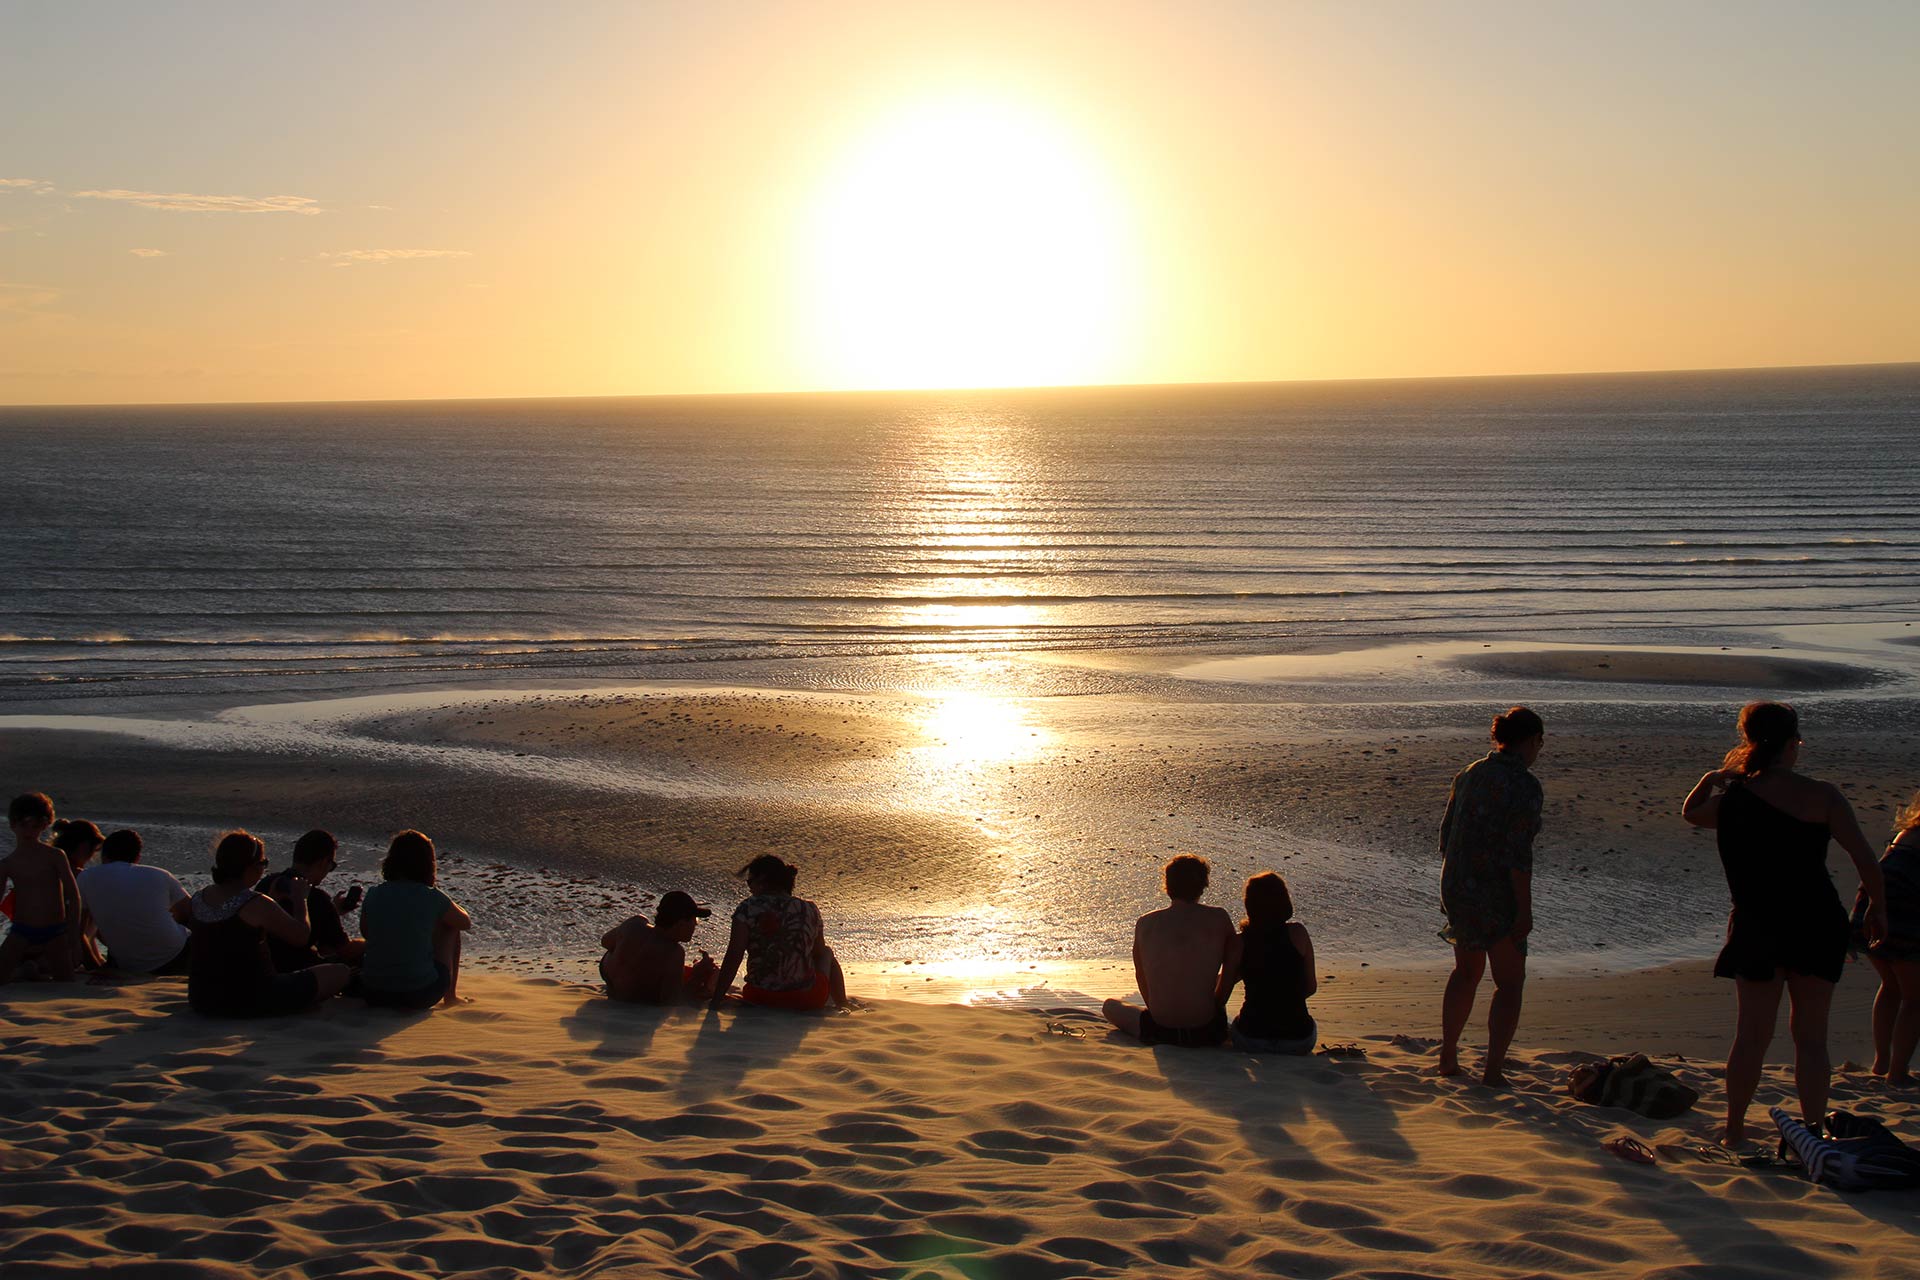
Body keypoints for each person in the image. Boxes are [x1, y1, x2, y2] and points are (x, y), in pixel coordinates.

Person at [1682, 701, 1888, 1145]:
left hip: (1758, 926)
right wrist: (1877, 908)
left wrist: (1710, 778)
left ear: (1749, 740)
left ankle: (1735, 1129)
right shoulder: (1822, 795)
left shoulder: (1733, 799)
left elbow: (1691, 812)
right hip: (1816, 922)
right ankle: (1812, 1132)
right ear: (1791, 742)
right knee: (1812, 1040)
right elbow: (1866, 859)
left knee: (1751, 1037)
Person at [1434, 706, 1546, 1086]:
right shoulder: (1525, 785)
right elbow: (1518, 854)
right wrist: (1524, 911)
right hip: (1495, 890)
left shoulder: (1469, 773)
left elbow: (1446, 836)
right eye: (1539, 743)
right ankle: (1493, 1069)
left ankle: (1448, 1054)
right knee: (1510, 982)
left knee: (1466, 972)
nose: (1539, 750)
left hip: (1458, 884)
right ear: (1529, 741)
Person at [183, 830, 351, 1017]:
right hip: (251, 996)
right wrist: (300, 899)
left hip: (202, 998)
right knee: (340, 973)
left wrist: (272, 900)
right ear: (250, 867)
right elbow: (301, 936)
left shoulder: (198, 898)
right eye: (263, 863)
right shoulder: (256, 903)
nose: (264, 869)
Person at [1102, 854, 1239, 1047]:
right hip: (1205, 1030)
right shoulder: (1218, 918)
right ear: (1203, 885)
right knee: (1212, 982)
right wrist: (1216, 1006)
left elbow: (1142, 977)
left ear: (1168, 885)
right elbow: (1232, 968)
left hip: (1161, 1028)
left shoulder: (1145, 923)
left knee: (1110, 1006)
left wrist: (1158, 1011)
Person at [709, 855, 849, 1012]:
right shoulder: (808, 909)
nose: (749, 888)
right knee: (826, 953)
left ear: (762, 879)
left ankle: (841, 1003)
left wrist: (716, 1000)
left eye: (750, 882)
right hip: (807, 999)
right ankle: (842, 1004)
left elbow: (735, 954)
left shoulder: (747, 908)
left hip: (759, 997)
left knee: (823, 953)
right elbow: (817, 952)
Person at [359, 830, 471, 1010]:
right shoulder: (431, 896)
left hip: (373, 993)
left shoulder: (374, 894)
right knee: (451, 926)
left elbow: (366, 932)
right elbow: (465, 922)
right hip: (418, 994)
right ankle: (451, 997)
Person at [1218, 872, 1317, 1054]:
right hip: (1298, 1038)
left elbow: (1221, 997)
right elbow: (1311, 987)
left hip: (1252, 1037)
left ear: (1249, 904)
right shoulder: (1298, 933)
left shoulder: (1239, 943)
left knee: (1231, 1024)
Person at [1860, 790, 1920, 1086]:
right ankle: (1897, 1073)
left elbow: (1879, 869)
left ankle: (1882, 1062)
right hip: (1904, 915)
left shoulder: (1906, 834)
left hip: (1874, 907)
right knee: (1914, 998)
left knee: (1891, 986)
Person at [77, 828, 192, 976]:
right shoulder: (159, 874)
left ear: (104, 855)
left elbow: (79, 931)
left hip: (126, 963)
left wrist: (93, 967)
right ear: (137, 857)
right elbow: (190, 912)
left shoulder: (86, 877)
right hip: (175, 957)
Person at [0, 793, 80, 983]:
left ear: (45, 825)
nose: (29, 831)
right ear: (13, 825)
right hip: (21, 930)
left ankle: (32, 970)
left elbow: (73, 895)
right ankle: (26, 971)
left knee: (65, 980)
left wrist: (74, 937)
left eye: (35, 826)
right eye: (23, 825)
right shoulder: (7, 863)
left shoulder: (54, 856)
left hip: (55, 930)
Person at [262, 830, 365, 972]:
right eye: (332, 866)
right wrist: (372, 944)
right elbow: (345, 949)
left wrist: (333, 912)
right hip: (295, 971)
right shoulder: (318, 899)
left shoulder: (267, 883)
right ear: (323, 862)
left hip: (264, 966)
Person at [601, 890, 718, 1005]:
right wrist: (697, 976)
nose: (695, 926)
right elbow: (672, 1001)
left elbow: (605, 942)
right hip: (634, 1003)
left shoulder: (635, 924)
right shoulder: (673, 952)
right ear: (681, 923)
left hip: (613, 990)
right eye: (695, 921)